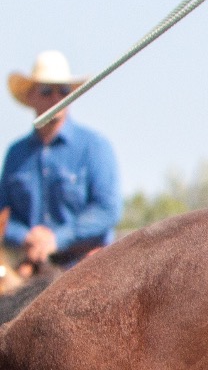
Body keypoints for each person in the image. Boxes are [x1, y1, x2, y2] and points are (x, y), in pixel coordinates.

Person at [4, 51, 121, 274]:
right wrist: (27, 238)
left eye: (64, 91)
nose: (56, 98)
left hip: (86, 269)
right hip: (32, 269)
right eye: (47, 91)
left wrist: (56, 239)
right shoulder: (15, 154)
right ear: (31, 96)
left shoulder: (94, 147)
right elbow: (3, 216)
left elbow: (107, 209)